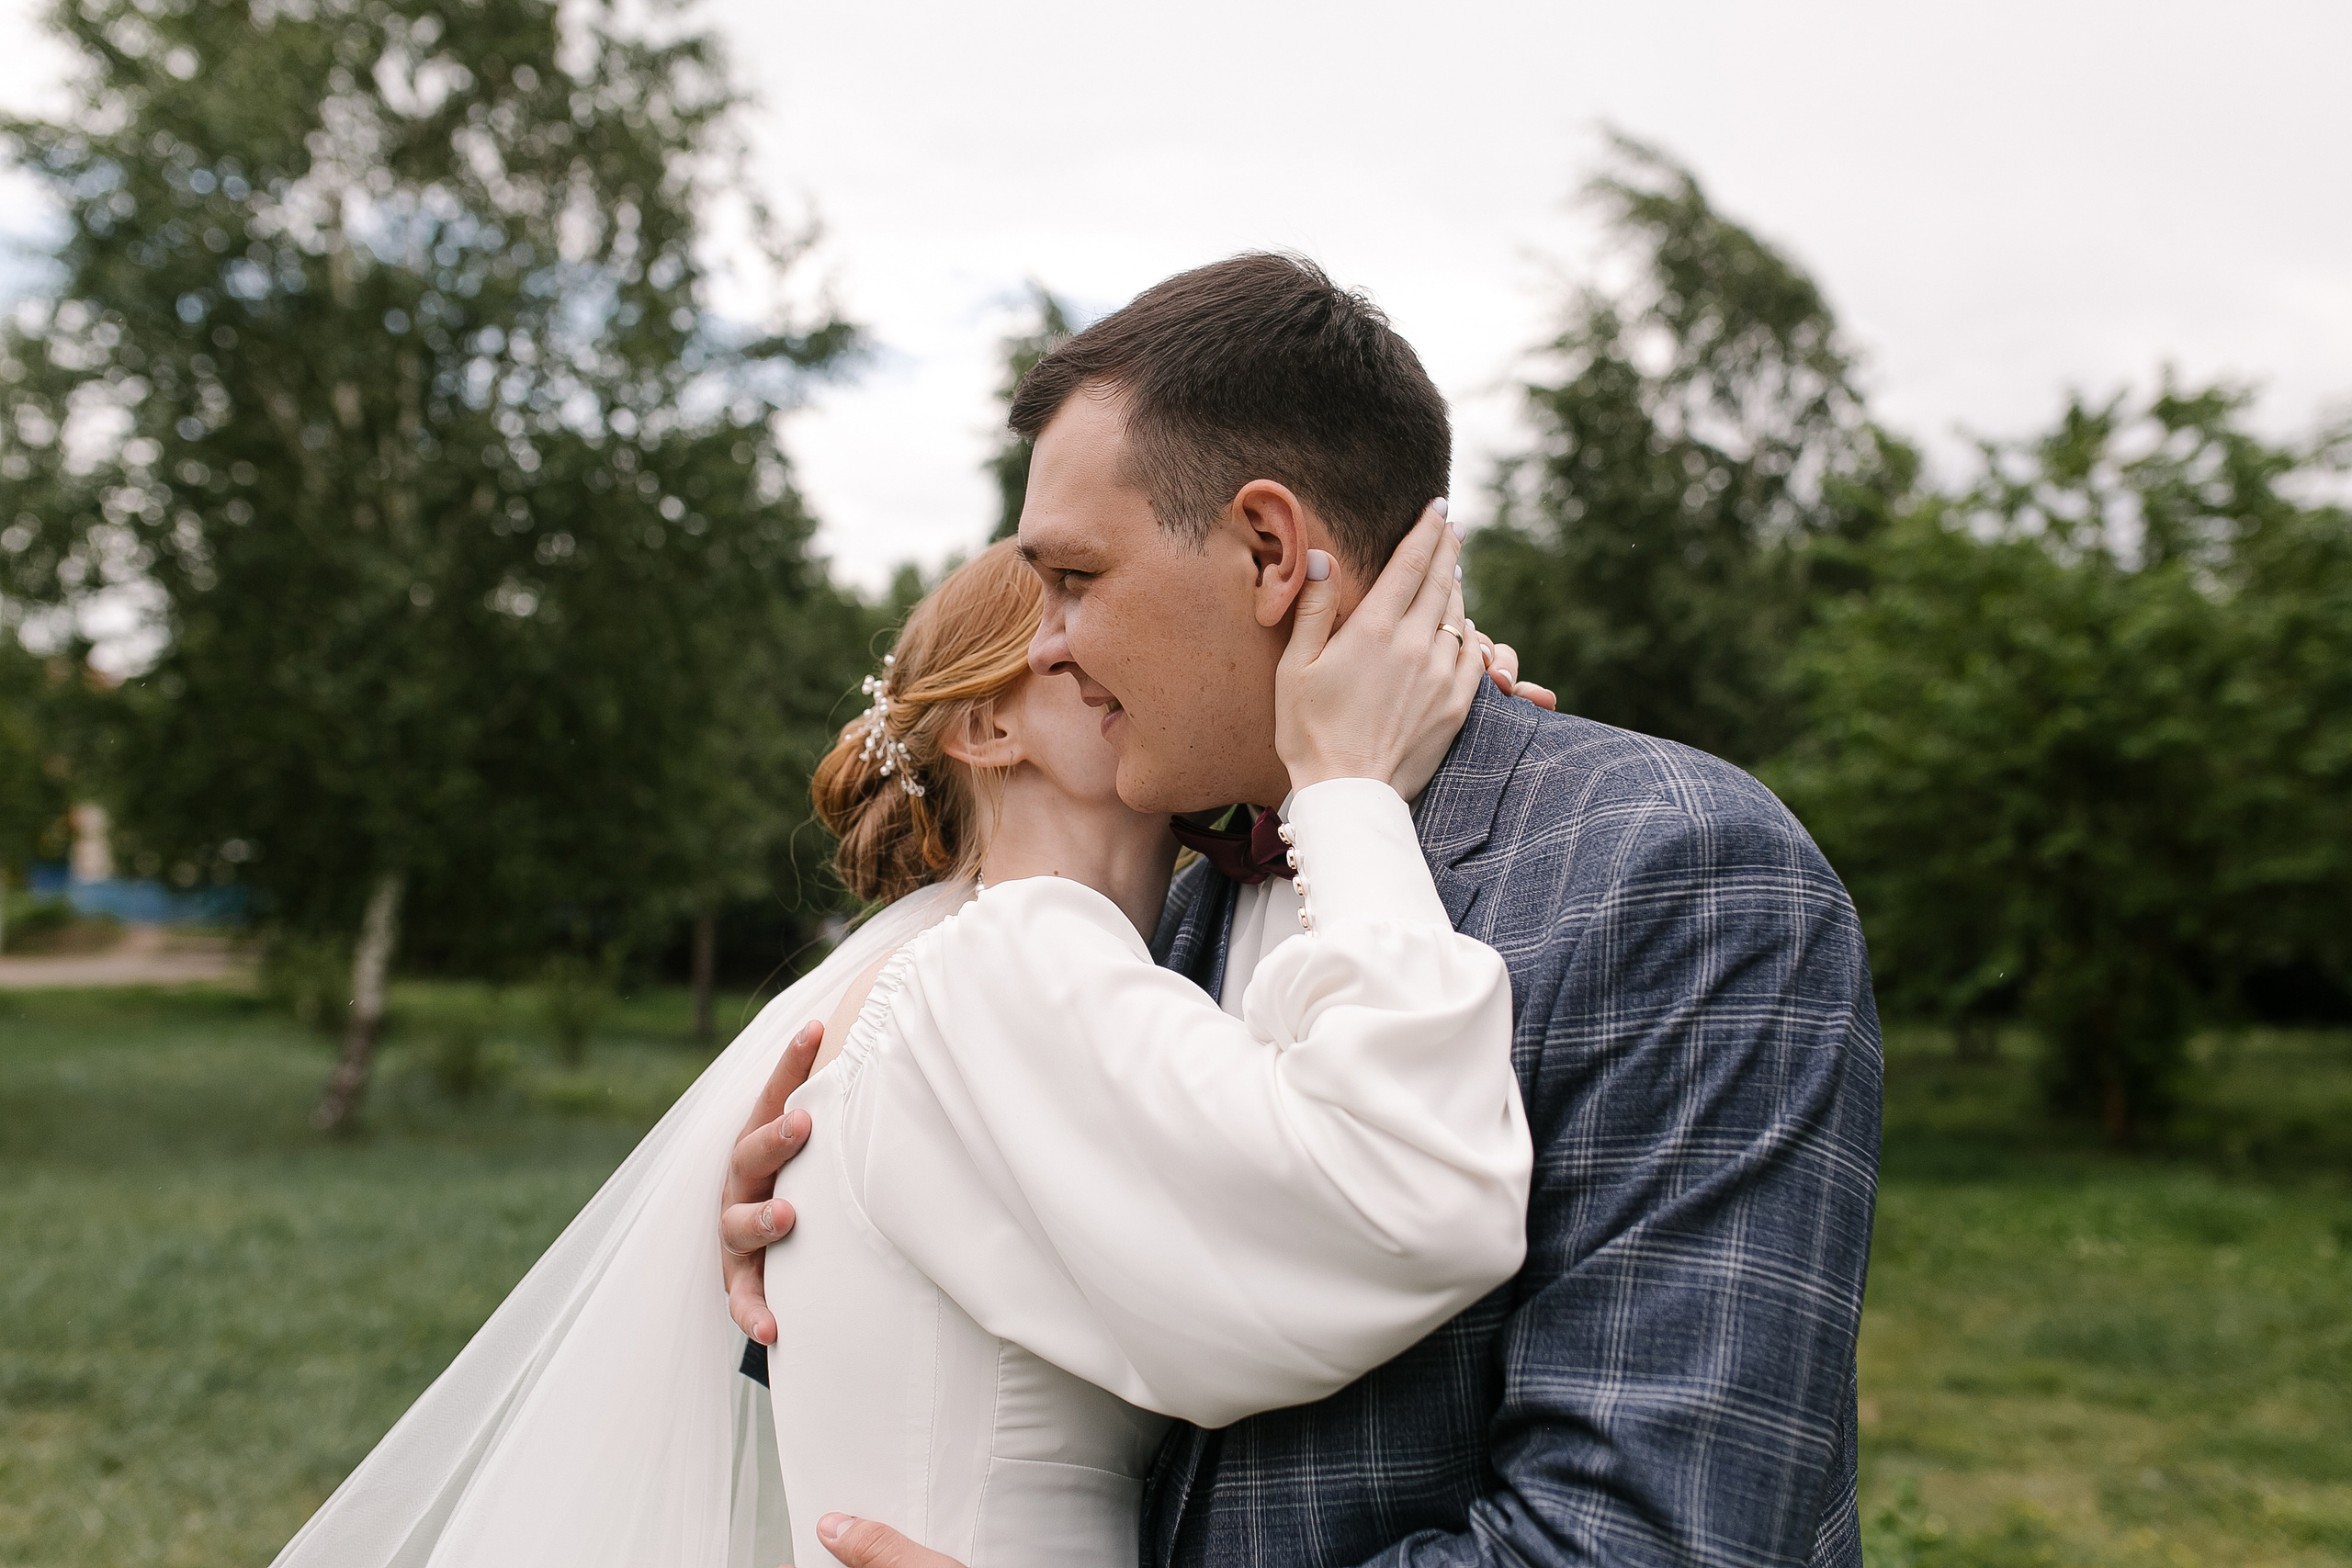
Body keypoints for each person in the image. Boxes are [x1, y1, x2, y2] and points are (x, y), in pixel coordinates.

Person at [725, 254, 1883, 1568]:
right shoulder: (1163, 912)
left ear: (1269, 552)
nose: (1049, 642)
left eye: (1077, 579)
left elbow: (1652, 1545)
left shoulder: (1680, 873)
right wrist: (831, 1233)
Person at [267, 497, 1534, 1567]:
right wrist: (1351, 789)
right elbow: (1382, 1195)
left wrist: (1430, 730)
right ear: (983, 728)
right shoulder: (1007, 961)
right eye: (1066, 619)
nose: (1113, 647)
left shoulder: (1006, 972)